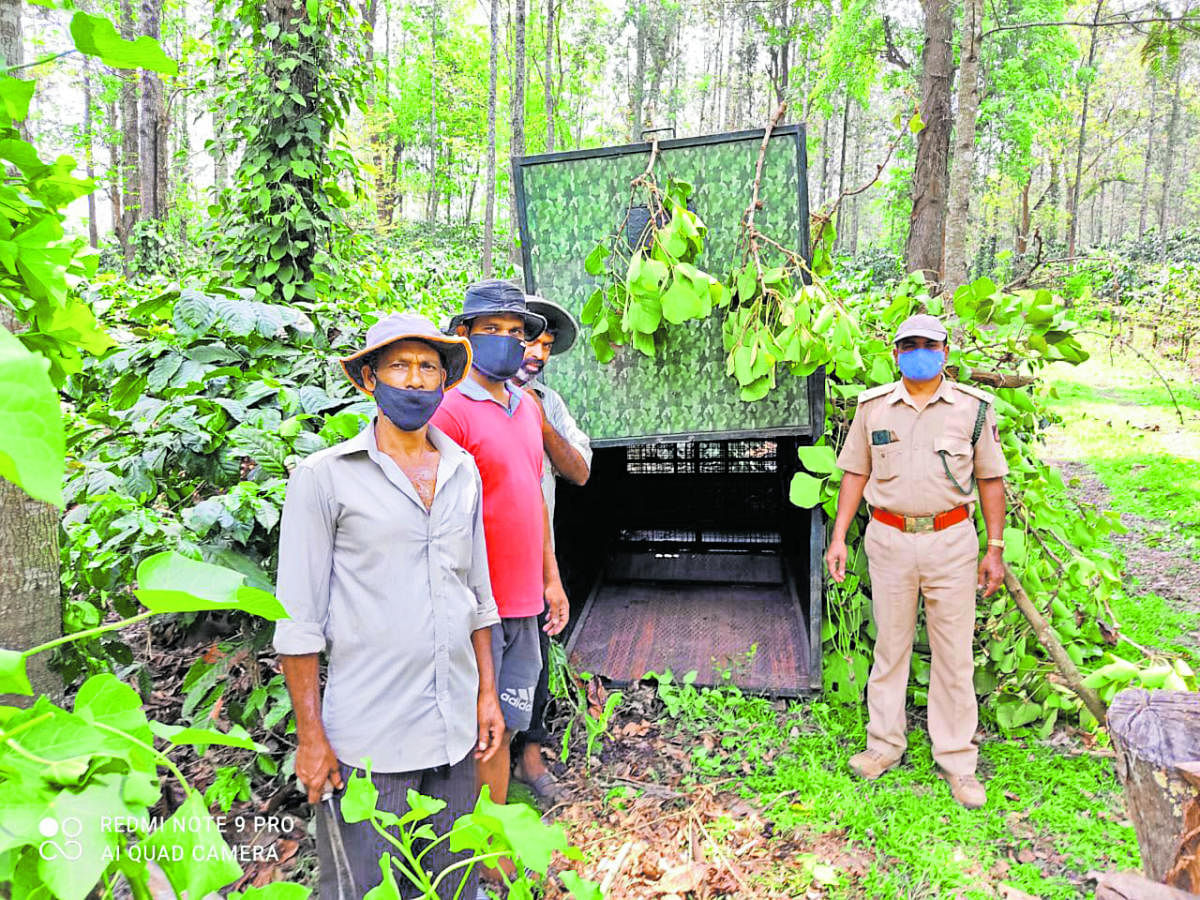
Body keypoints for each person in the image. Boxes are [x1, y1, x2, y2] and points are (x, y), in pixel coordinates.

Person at [274, 313, 504, 899]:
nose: (415, 379)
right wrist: (311, 736)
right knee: (364, 888)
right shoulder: (323, 479)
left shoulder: (461, 471)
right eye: (399, 365)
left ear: (443, 382)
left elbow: (477, 594)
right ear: (370, 380)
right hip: (369, 743)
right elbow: (298, 624)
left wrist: (486, 695)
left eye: (428, 367)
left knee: (450, 883)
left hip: (454, 732)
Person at [824, 313, 1008, 810]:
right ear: (896, 353)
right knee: (890, 647)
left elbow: (991, 481)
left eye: (929, 344)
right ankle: (883, 746)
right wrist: (839, 537)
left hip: (952, 542)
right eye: (910, 345)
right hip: (888, 540)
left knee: (953, 655)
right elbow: (854, 473)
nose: (919, 352)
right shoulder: (874, 408)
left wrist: (995, 548)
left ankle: (957, 761)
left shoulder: (972, 410)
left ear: (945, 352)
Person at [429, 280, 570, 875]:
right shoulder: (448, 411)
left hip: (522, 599)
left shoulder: (526, 408)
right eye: (496, 331)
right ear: (464, 335)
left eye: (518, 331)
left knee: (506, 719)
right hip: (473, 604)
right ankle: (478, 857)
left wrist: (552, 580)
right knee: (474, 724)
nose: (512, 343)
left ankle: (490, 835)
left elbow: (533, 501)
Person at [508, 295, 592, 805]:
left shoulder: (548, 402)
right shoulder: (462, 396)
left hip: (537, 559)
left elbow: (580, 470)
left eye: (545, 344)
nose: (538, 351)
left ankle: (529, 754)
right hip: (478, 561)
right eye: (528, 339)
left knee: (535, 659)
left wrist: (540, 425)